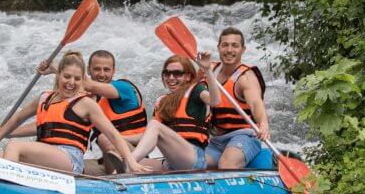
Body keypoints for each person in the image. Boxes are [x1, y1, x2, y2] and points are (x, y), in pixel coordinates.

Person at [0, 51, 151, 175]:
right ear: (59, 76)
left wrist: (131, 161)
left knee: (14, 147)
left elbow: (113, 134)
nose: (72, 82)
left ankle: (8, 191)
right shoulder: (45, 98)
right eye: (67, 77)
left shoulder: (88, 102)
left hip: (70, 158)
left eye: (77, 79)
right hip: (48, 152)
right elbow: (18, 119)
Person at [38, 50, 147, 174]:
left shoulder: (124, 88)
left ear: (113, 71)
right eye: (97, 69)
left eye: (106, 70)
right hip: (107, 162)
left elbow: (89, 85)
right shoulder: (85, 100)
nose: (101, 74)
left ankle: (122, 172)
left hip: (136, 154)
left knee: (104, 138)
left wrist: (55, 68)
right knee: (62, 164)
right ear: (89, 70)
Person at [109, 52, 220, 172]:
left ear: (187, 76)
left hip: (194, 158)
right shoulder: (162, 101)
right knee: (135, 163)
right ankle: (116, 177)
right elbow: (149, 135)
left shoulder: (196, 90)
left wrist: (208, 70)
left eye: (177, 73)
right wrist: (119, 137)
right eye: (167, 73)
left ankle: (129, 163)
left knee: (154, 127)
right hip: (171, 162)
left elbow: (215, 101)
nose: (171, 77)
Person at [205, 27, 270, 170]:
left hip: (244, 136)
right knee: (196, 164)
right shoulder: (209, 70)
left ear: (243, 49)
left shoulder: (246, 77)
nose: (229, 50)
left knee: (226, 165)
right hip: (215, 140)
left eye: (235, 45)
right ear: (218, 47)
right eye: (225, 45)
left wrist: (263, 123)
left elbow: (255, 104)